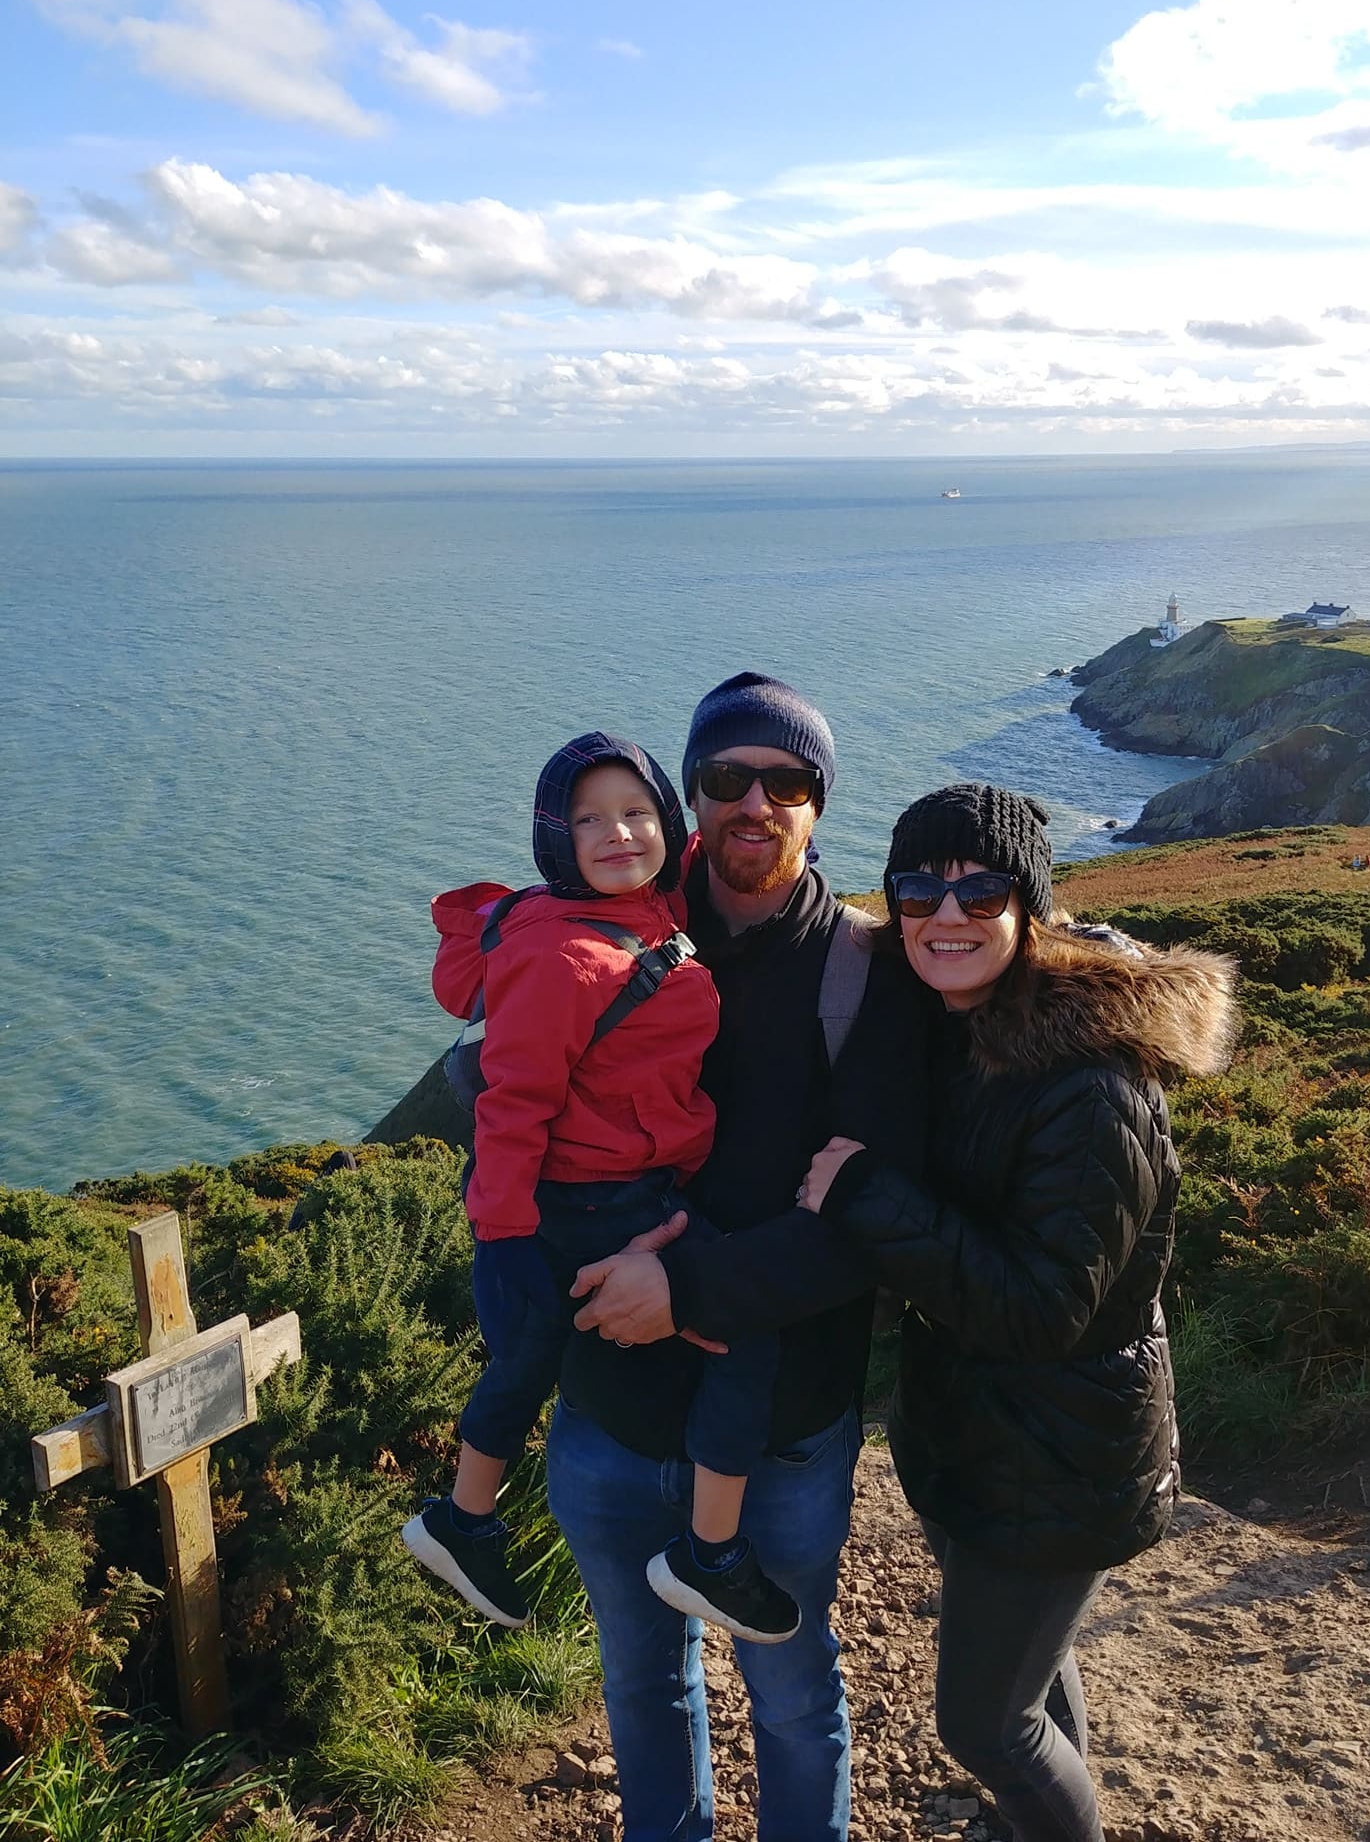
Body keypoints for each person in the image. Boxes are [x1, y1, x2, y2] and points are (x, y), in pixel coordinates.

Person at [800, 782, 1237, 1842]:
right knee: (1031, 1679)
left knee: (986, 1721)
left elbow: (1042, 1305)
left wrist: (865, 1194)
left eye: (980, 887)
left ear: (1027, 904)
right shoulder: (958, 1023)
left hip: (1061, 1451)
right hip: (988, 1442)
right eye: (919, 888)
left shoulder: (1092, 1083)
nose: (947, 913)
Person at [543, 673, 934, 1842]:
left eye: (788, 780)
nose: (754, 801)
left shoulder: (873, 979)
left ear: (819, 805)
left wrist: (684, 1289)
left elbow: (867, 1222)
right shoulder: (605, 939)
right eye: (726, 778)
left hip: (785, 1431)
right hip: (610, 1409)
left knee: (793, 1694)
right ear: (690, 798)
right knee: (640, 1687)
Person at [402, 731, 799, 1645]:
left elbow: (704, 849)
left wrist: (751, 809)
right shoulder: (563, 957)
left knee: (535, 1353)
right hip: (594, 1200)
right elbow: (513, 1106)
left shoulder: (644, 911)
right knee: (739, 1329)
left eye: (637, 812)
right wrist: (501, 1242)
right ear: (556, 840)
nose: (618, 833)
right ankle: (709, 1554)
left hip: (624, 1182)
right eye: (588, 820)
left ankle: (464, 1520)